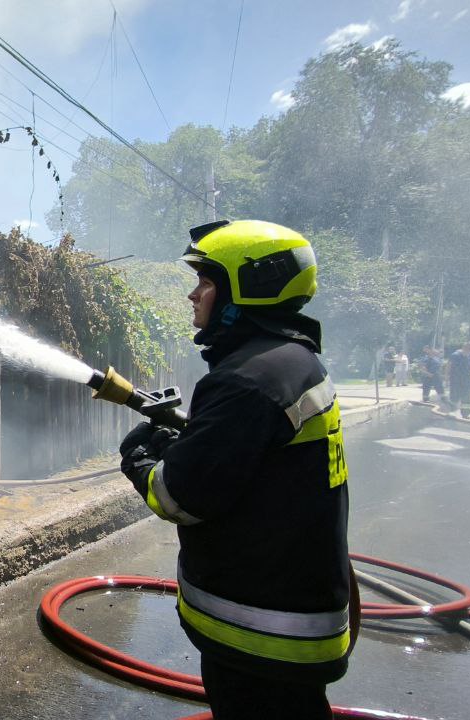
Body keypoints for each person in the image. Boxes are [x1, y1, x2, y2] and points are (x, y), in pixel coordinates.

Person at [120, 219, 354, 720]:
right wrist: (198, 443)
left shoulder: (247, 380)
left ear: (245, 288)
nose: (192, 295)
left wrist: (139, 460)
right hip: (295, 617)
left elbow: (178, 497)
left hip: (261, 634)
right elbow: (262, 463)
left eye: (205, 281)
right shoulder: (293, 362)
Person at [447, 342, 470, 419]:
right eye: (468, 348)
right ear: (464, 347)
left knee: (467, 397)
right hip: (456, 379)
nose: (469, 350)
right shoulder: (455, 355)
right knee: (454, 396)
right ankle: (452, 412)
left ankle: (466, 414)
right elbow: (449, 365)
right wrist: (446, 377)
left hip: (467, 380)